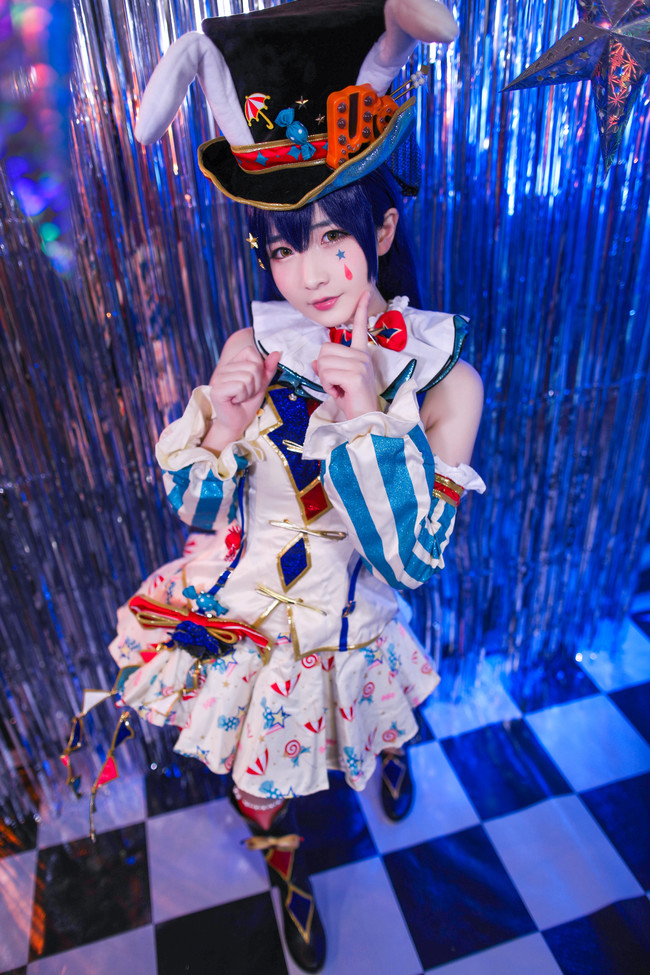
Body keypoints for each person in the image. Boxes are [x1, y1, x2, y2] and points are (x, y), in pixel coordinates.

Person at [102, 2, 485, 971]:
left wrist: (363, 424)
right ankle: (286, 873)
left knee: (378, 713)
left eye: (328, 239)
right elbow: (195, 510)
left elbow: (414, 559)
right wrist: (221, 431)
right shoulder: (256, 343)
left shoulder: (444, 378)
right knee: (258, 780)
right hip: (248, 618)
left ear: (380, 226)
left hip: (352, 619)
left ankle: (389, 752)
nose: (307, 275)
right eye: (281, 247)